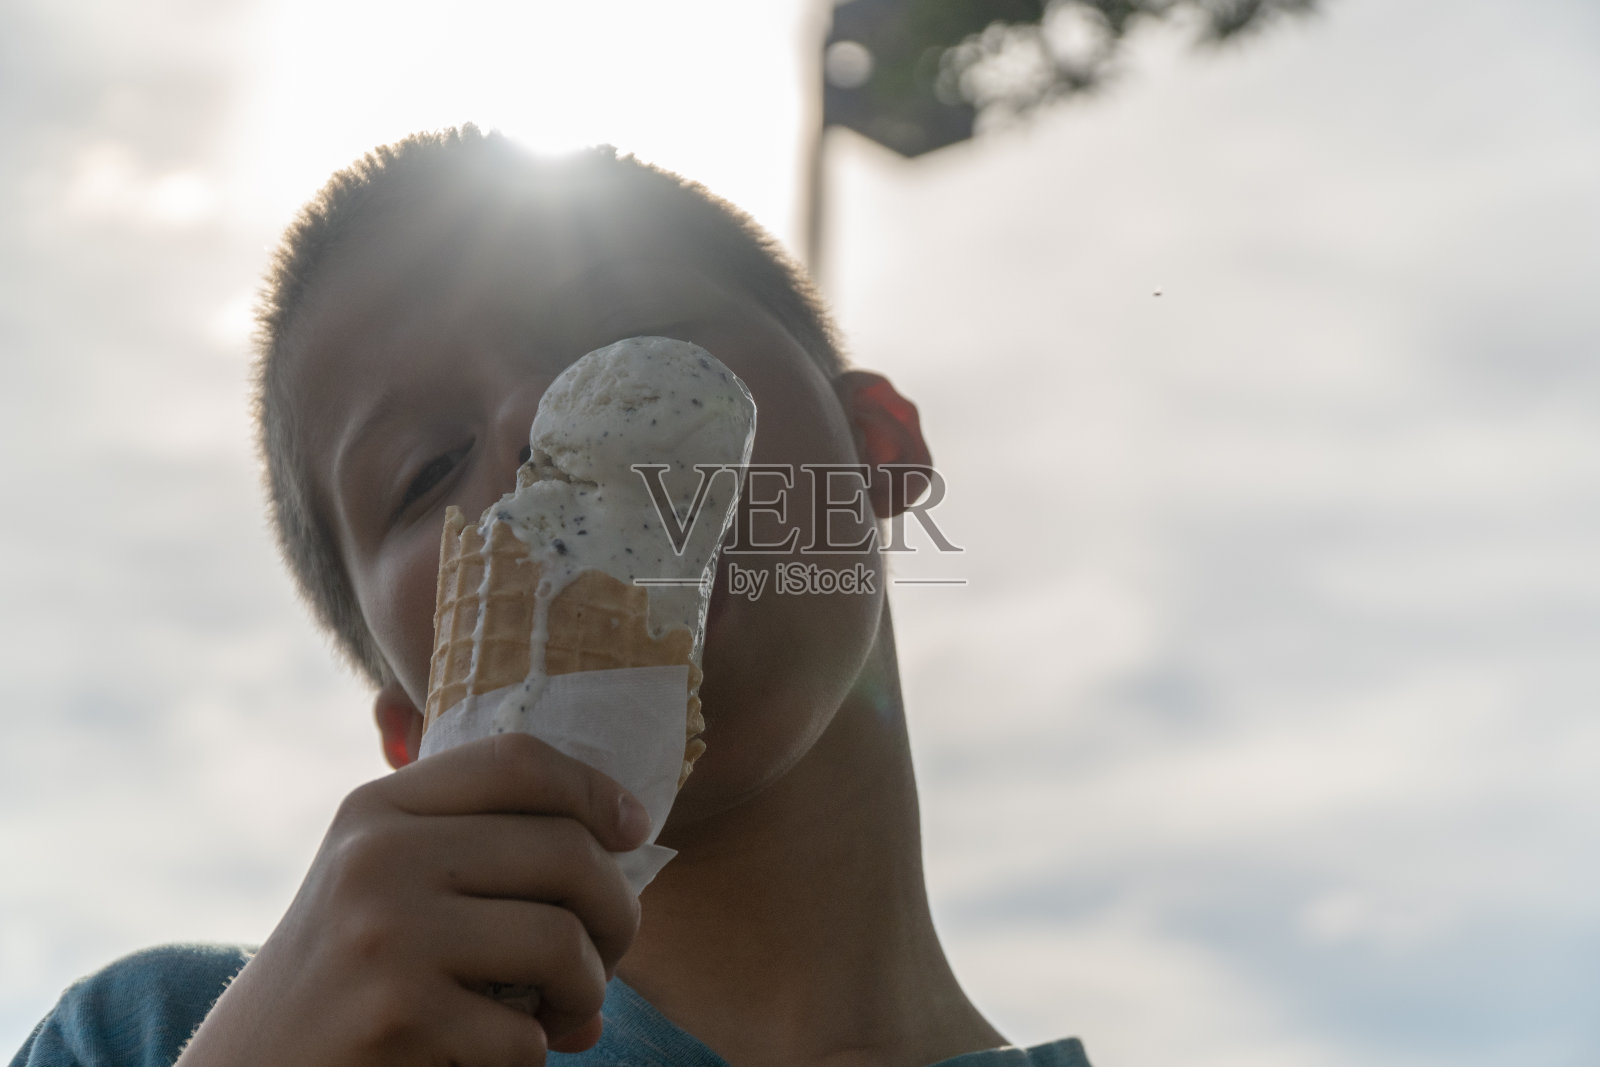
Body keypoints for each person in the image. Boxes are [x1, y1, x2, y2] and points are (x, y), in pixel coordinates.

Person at [12, 126, 1091, 1067]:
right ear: (417, 726)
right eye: (428, 466)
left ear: (874, 454)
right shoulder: (159, 1035)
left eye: (636, 340)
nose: (544, 414)